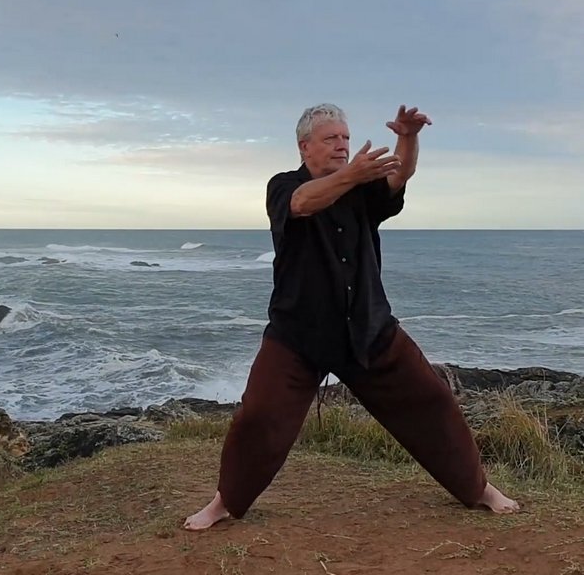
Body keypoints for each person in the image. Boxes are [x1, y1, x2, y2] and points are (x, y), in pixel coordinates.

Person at [183, 103, 520, 531]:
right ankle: (225, 502)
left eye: (345, 137)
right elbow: (305, 204)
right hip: (298, 334)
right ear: (305, 146)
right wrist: (352, 175)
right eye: (331, 139)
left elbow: (400, 175)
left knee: (432, 400)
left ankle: (478, 489)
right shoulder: (285, 186)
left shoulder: (363, 188)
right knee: (258, 417)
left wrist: (408, 137)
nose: (342, 145)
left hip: (369, 327)